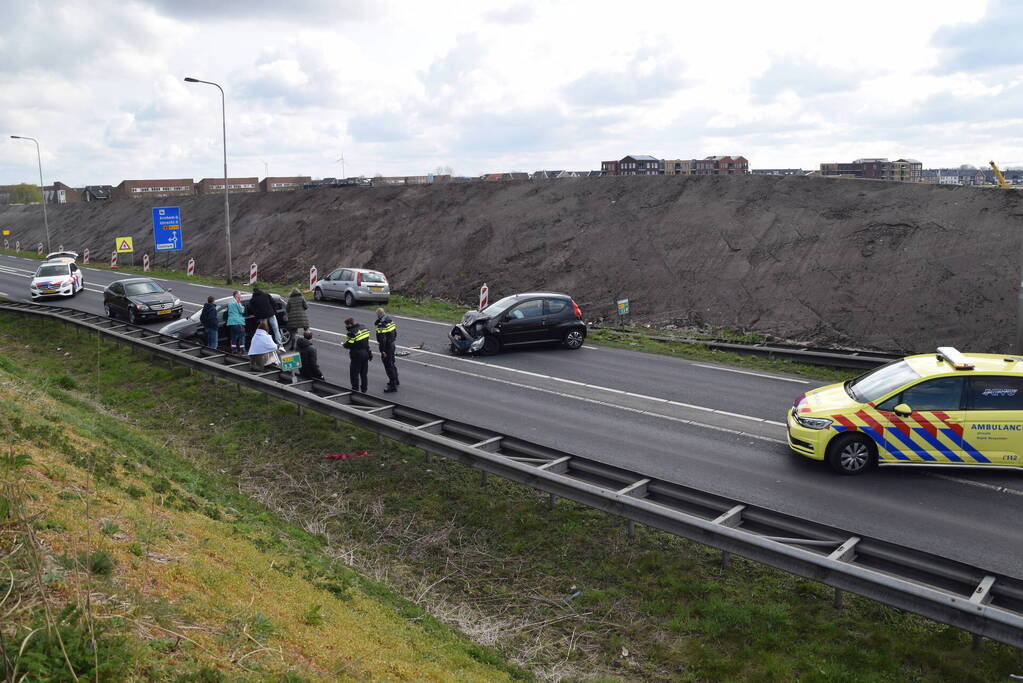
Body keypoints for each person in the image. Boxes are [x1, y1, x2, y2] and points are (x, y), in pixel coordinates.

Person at [342, 316, 371, 392]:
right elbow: (366, 341)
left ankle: (355, 390)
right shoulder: (364, 328)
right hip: (366, 353)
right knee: (364, 373)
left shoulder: (351, 333)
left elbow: (349, 344)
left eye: (346, 325)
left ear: (350, 324)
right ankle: (364, 389)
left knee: (354, 373)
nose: (346, 327)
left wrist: (344, 345)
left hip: (357, 355)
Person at [374, 307, 399, 392]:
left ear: (378, 315)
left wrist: (382, 350)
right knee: (392, 363)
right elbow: (395, 333)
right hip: (392, 344)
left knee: (388, 366)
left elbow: (382, 339)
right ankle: (396, 380)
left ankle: (392, 386)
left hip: (387, 347)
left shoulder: (382, 325)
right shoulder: (390, 321)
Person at [226, 290, 246, 354]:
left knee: (234, 337)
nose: (240, 296)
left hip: (231, 322)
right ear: (236, 295)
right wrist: (243, 308)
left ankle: (234, 350)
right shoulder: (237, 301)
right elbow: (241, 311)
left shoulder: (230, 301)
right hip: (238, 322)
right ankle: (242, 350)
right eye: (240, 294)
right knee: (241, 336)